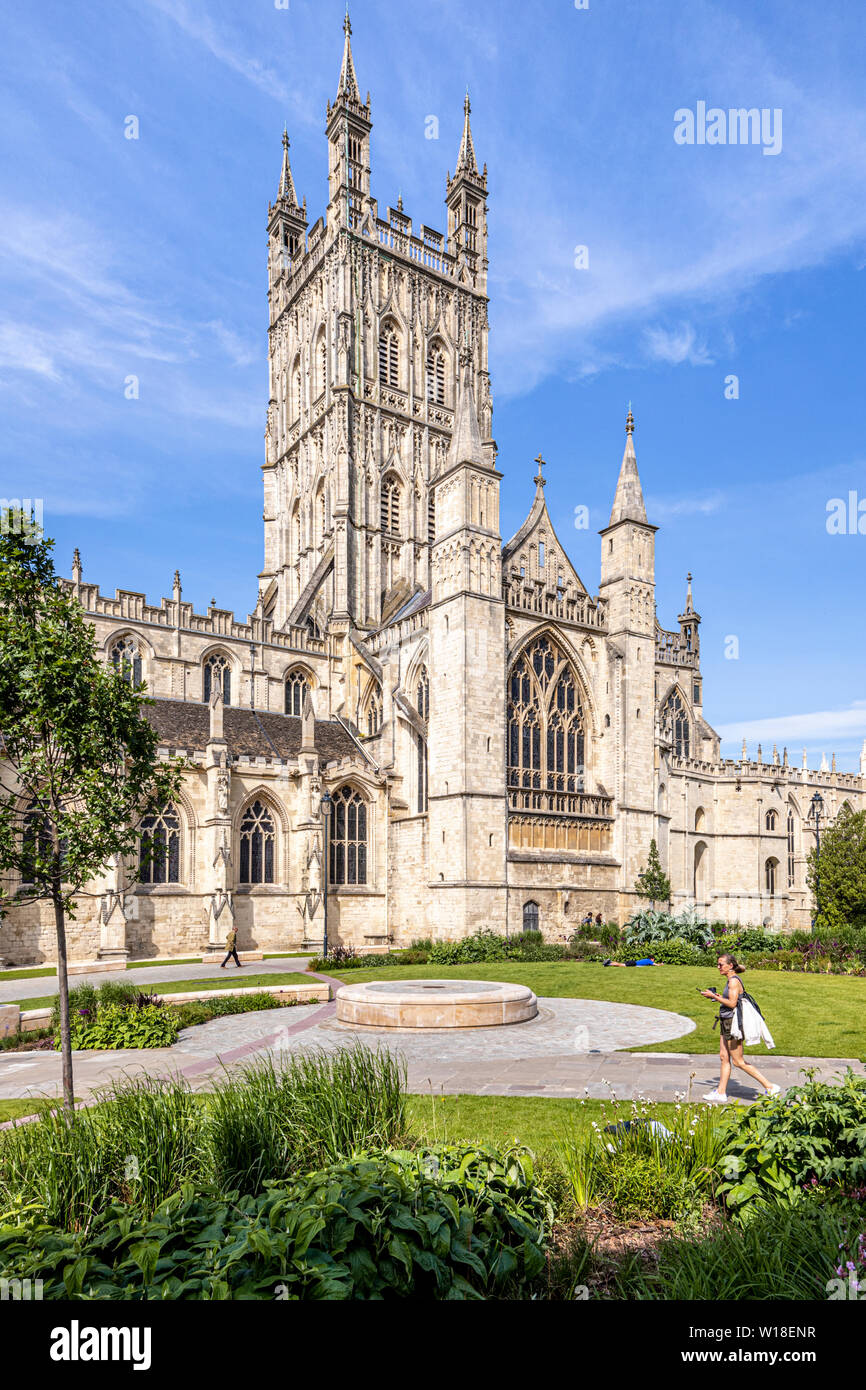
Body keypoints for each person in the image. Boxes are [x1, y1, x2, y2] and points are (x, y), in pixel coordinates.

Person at [701, 953, 780, 1102]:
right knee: (724, 1057)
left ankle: (770, 1087)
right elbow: (731, 1000)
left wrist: (713, 996)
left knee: (738, 1061)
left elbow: (731, 1003)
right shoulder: (730, 980)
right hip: (726, 1021)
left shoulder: (733, 982)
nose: (718, 967)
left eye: (721, 964)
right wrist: (717, 996)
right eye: (717, 964)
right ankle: (721, 1092)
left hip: (732, 1024)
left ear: (730, 966)